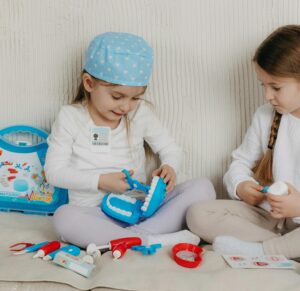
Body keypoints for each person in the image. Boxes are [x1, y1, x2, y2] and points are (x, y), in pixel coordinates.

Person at [45, 32, 216, 248]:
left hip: (142, 208)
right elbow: (54, 172)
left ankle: (134, 238)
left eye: (135, 98)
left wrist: (169, 167)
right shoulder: (70, 117)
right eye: (117, 97)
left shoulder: (139, 114)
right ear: (89, 83)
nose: (126, 107)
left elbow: (170, 148)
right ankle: (150, 240)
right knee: (64, 217)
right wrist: (101, 182)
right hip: (96, 214)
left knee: (204, 187)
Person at [186, 25, 300, 259]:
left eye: (276, 87)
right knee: (197, 214)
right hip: (268, 220)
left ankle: (263, 251)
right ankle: (283, 248)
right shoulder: (266, 116)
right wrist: (241, 186)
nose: (267, 96)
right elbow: (240, 162)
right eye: (264, 86)